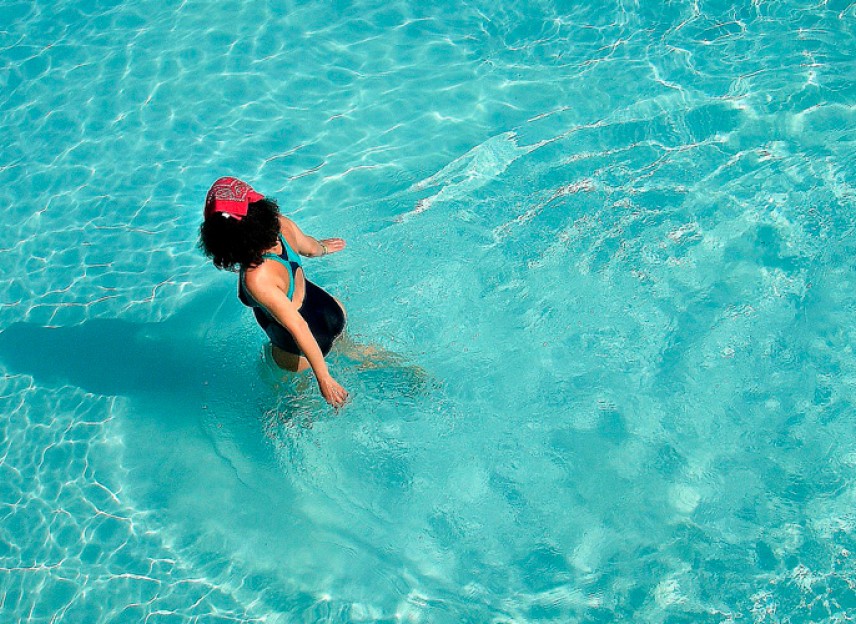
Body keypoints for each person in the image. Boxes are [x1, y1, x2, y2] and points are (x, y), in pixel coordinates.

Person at [199, 176, 349, 408]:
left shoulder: (256, 277)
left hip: (298, 349)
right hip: (330, 312)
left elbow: (298, 326)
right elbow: (310, 248)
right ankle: (412, 376)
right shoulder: (282, 225)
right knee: (362, 355)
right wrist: (325, 247)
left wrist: (324, 378)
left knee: (287, 402)